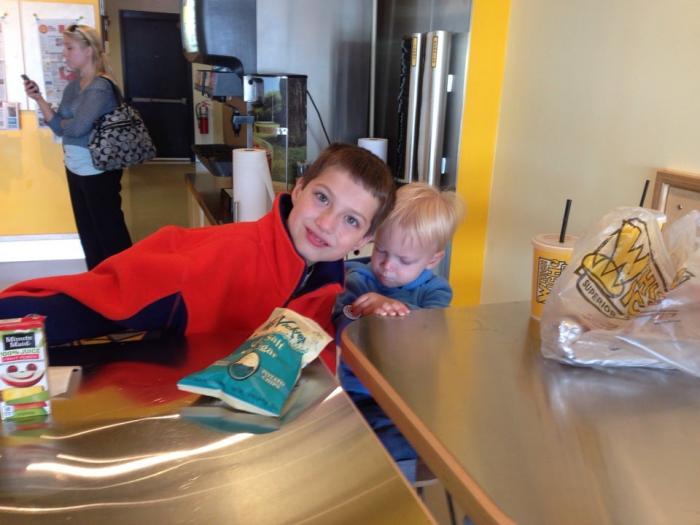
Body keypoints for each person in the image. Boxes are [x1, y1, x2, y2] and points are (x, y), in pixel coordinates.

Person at [0, 143, 396, 372]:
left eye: (350, 220)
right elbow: (92, 301)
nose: (326, 223)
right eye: (322, 198)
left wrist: (358, 315)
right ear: (299, 187)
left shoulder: (327, 279)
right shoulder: (211, 260)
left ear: (363, 239)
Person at [333, 182, 465, 479]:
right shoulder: (358, 277)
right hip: (358, 394)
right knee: (351, 460)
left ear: (433, 260)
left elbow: (432, 333)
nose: (387, 266)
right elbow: (339, 326)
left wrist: (394, 308)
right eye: (381, 250)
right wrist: (359, 310)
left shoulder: (436, 291)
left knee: (410, 455)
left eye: (404, 260)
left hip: (412, 400)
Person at [24, 24, 131, 270]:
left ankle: (125, 279)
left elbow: (76, 129)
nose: (64, 53)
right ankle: (97, 280)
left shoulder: (100, 86)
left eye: (69, 48)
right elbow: (59, 127)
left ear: (88, 50)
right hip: (74, 167)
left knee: (110, 233)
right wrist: (39, 98)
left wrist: (68, 123)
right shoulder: (73, 86)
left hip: (98, 169)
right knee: (88, 233)